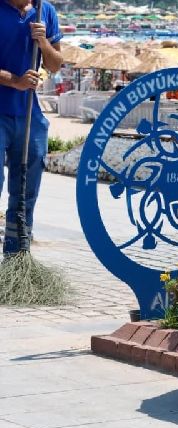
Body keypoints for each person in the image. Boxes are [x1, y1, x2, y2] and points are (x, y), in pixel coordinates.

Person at [0, 0, 62, 255]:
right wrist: (15, 81)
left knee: (27, 189)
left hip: (28, 113)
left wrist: (44, 42)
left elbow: (56, 64)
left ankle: (17, 258)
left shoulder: (44, 11)